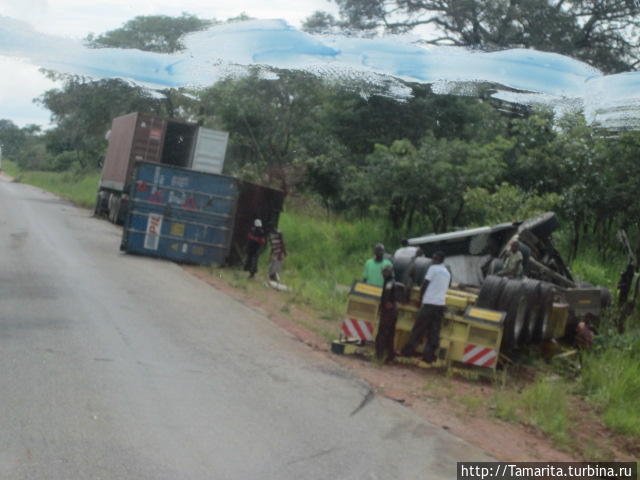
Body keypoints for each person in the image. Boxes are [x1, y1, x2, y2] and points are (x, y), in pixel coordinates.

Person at [401, 251, 451, 364]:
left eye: (434, 258)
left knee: (418, 328)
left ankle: (408, 351)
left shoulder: (433, 269)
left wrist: (420, 298)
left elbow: (425, 284)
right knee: (434, 331)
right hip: (440, 305)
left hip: (429, 304)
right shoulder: (447, 273)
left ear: (439, 259)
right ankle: (428, 356)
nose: (432, 260)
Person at [375, 265, 400, 363]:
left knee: (382, 333)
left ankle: (379, 355)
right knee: (390, 334)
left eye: (384, 272)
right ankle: (390, 355)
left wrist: (384, 305)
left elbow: (386, 296)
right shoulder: (391, 282)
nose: (383, 274)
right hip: (392, 311)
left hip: (388, 311)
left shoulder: (389, 283)